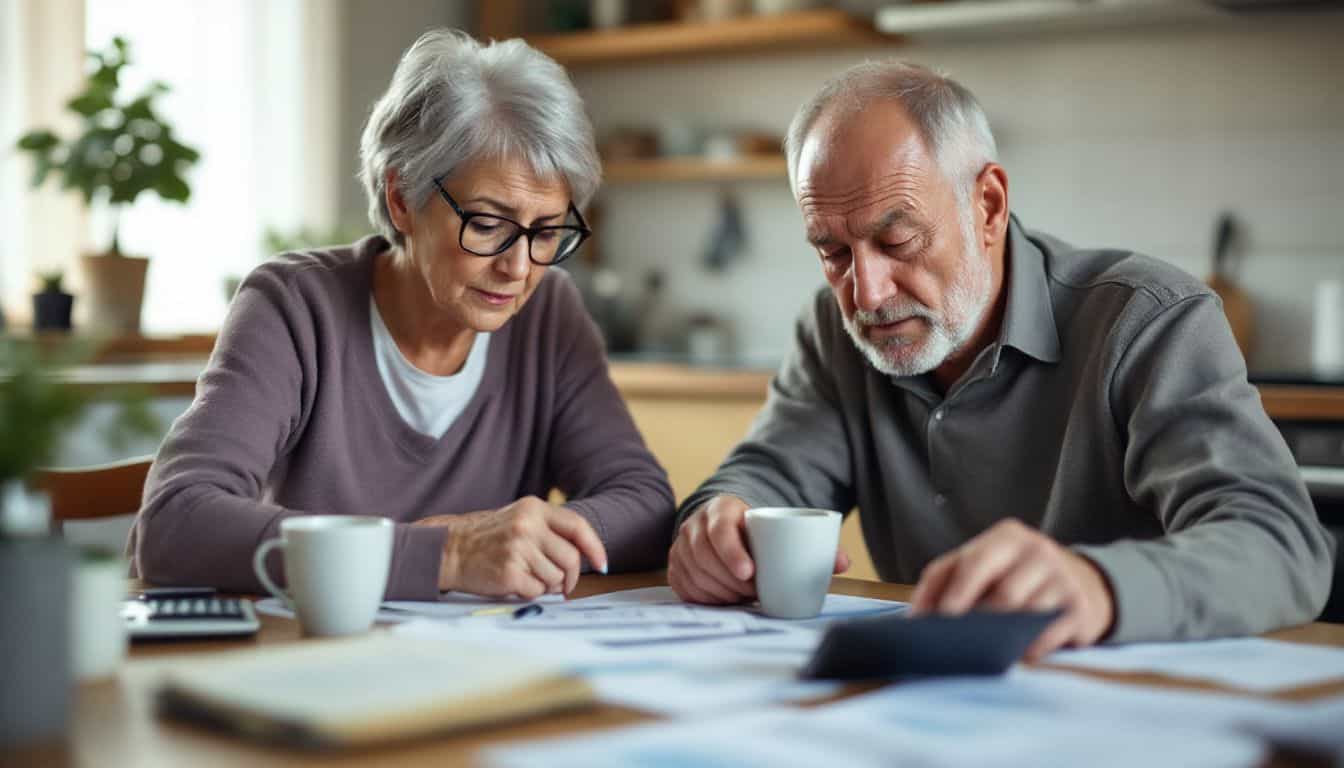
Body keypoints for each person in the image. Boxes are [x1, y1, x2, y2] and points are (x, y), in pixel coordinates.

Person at [668, 61, 1334, 655]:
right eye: (833, 253)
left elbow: (1280, 546)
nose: (865, 293)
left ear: (986, 205)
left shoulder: (1149, 322)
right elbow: (769, 477)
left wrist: (1098, 585)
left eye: (896, 239)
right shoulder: (834, 329)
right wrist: (721, 521)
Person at [134, 30, 676, 600]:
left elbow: (644, 502)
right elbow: (176, 524)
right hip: (299, 658)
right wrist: (449, 555)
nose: (519, 267)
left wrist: (537, 542)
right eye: (489, 224)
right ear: (401, 197)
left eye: (547, 231)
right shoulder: (294, 307)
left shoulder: (550, 314)